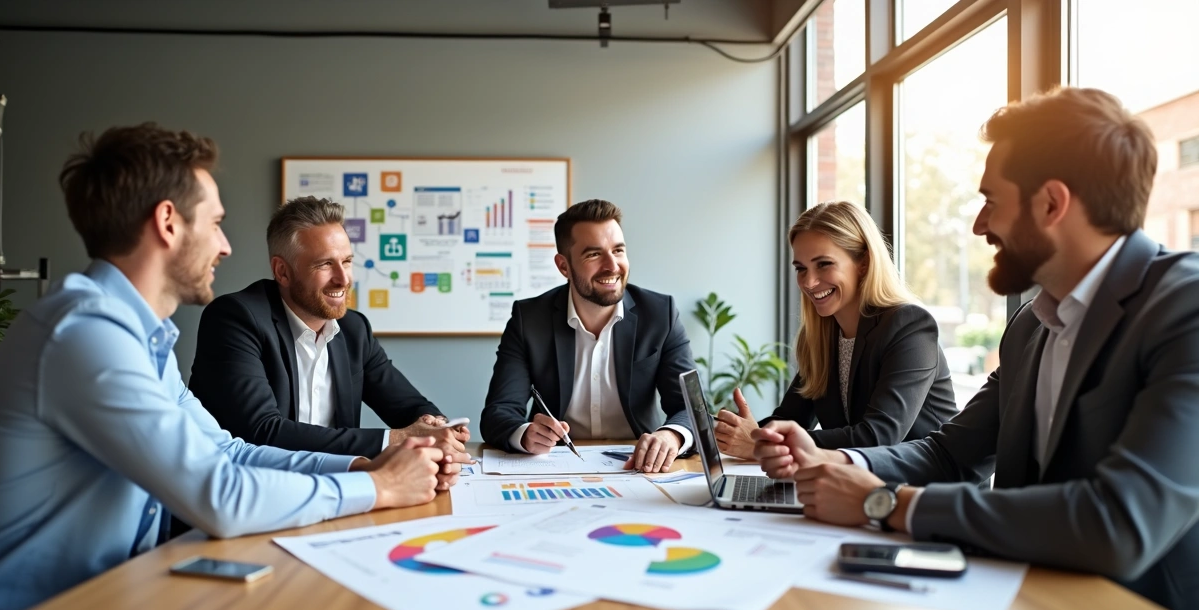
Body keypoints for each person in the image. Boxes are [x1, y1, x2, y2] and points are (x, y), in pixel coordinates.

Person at [753, 87, 1199, 610]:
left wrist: (886, 503)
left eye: (992, 201)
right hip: (1021, 600)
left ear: (1052, 204)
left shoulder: (1184, 311)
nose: (979, 225)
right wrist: (838, 461)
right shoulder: (1032, 324)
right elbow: (950, 454)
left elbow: (1119, 522)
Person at [0, 124, 445, 610]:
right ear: (167, 222)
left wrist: (364, 469)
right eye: (216, 222)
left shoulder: (140, 338)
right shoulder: (85, 334)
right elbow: (219, 494)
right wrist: (381, 489)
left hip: (121, 595)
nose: (225, 246)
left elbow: (231, 451)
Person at [190, 196, 470, 487]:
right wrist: (397, 439)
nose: (343, 279)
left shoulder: (353, 328)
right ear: (282, 271)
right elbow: (260, 431)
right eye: (325, 264)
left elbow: (407, 404)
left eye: (347, 261)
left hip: (337, 488)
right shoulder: (235, 318)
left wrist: (439, 431)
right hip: (251, 492)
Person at [713, 201, 956, 459]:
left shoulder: (909, 326)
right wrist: (727, 433)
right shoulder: (819, 336)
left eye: (824, 264)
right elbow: (790, 419)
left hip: (930, 491)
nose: (809, 281)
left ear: (863, 262)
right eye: (801, 268)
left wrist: (764, 444)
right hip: (860, 484)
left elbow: (879, 436)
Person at [480, 199, 696, 473]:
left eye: (618, 250)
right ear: (564, 266)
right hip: (557, 468)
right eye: (594, 255)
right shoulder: (529, 319)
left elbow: (691, 408)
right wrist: (524, 433)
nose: (612, 266)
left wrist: (672, 435)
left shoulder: (660, 314)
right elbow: (498, 412)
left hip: (639, 468)